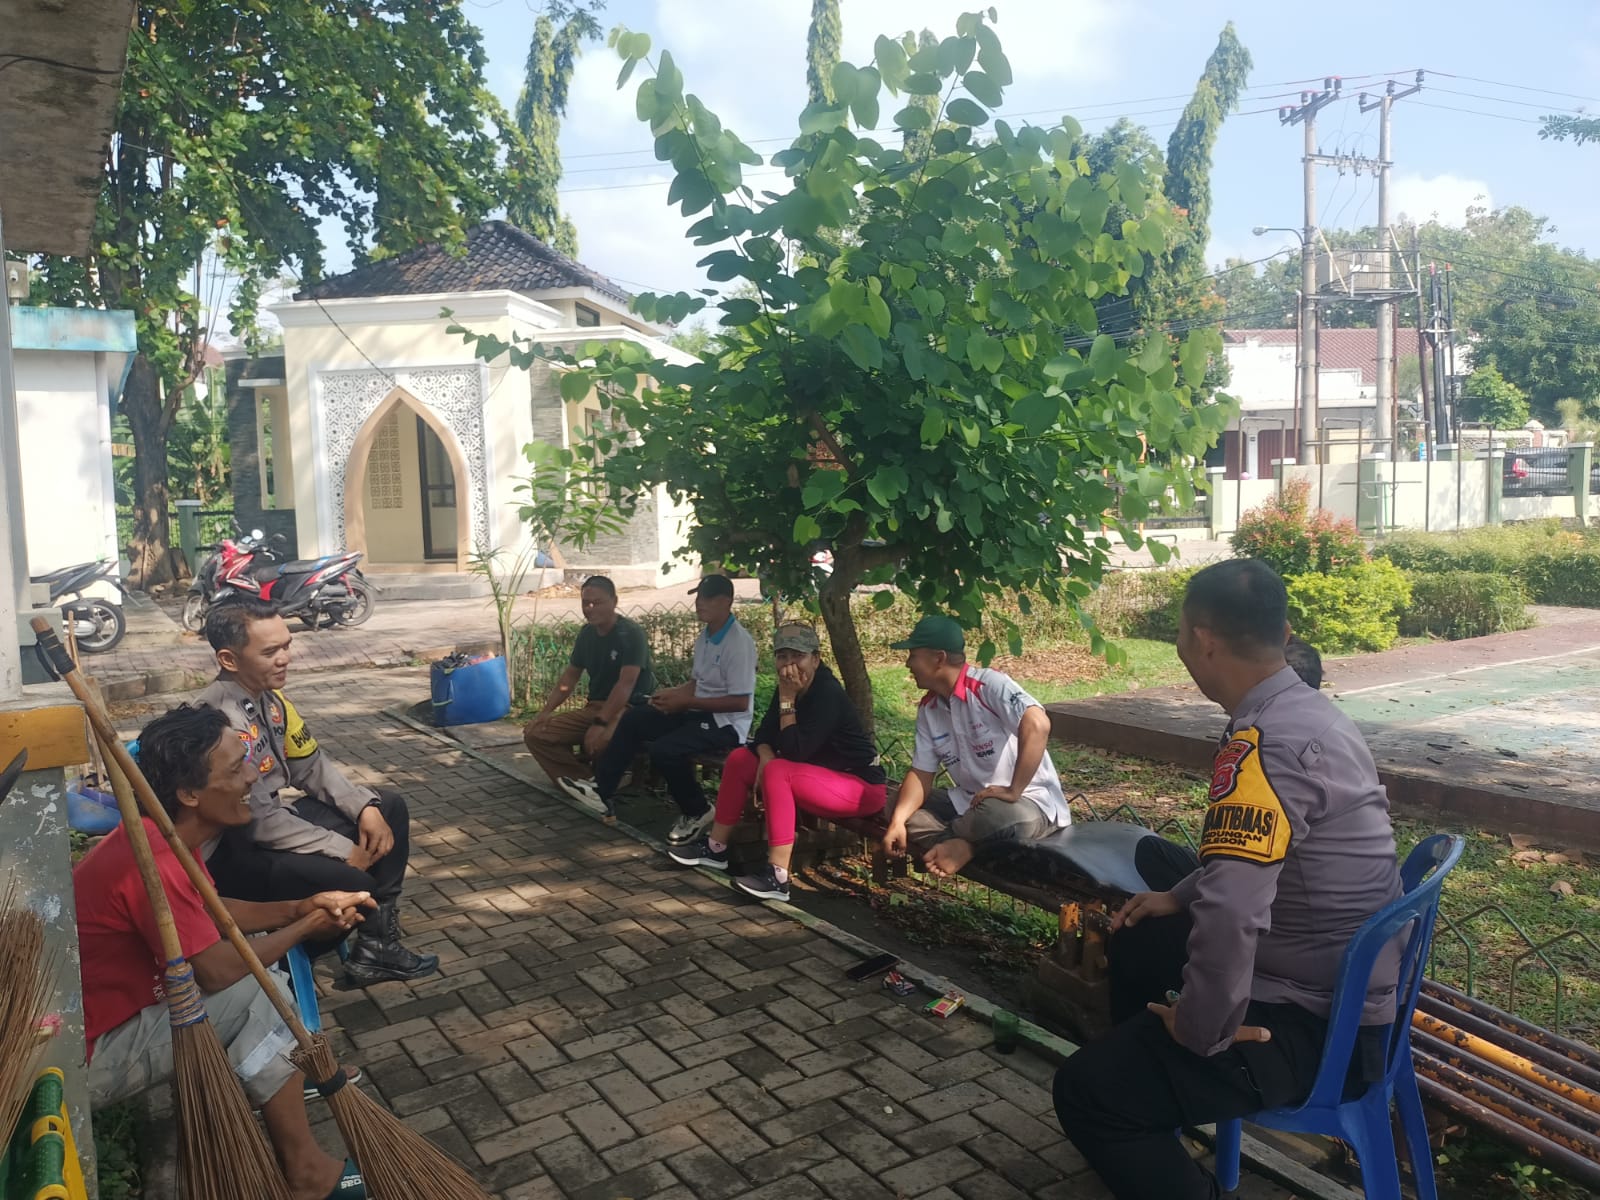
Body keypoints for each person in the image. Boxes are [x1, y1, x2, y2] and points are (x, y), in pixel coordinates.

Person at [1053, 559, 1403, 1200]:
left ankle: (1146, 1104)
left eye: (1179, 634)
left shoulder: (1266, 743)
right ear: (1284, 634)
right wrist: (1176, 895)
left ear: (1203, 638)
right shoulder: (1306, 713)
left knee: (1088, 1092)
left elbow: (1233, 913)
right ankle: (1159, 1111)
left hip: (1320, 1026)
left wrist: (1199, 1030)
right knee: (1139, 931)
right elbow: (1260, 861)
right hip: (1342, 984)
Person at [76, 704, 371, 1200]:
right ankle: (306, 1174)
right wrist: (306, 927)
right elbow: (214, 972)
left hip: (115, 1024)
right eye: (235, 769)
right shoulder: (152, 862)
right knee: (259, 989)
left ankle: (287, 1136)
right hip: (87, 1058)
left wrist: (298, 907)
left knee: (260, 980)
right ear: (190, 794)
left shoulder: (164, 836)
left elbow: (211, 910)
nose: (253, 775)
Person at [196, 599, 438, 986]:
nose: (285, 659)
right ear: (229, 659)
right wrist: (343, 850)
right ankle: (284, 965)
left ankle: (377, 947)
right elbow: (257, 820)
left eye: (286, 645)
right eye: (270, 652)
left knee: (387, 807)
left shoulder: (270, 701)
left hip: (270, 830)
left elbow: (310, 766)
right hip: (234, 853)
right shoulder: (218, 719)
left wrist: (364, 807)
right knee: (355, 885)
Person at [668, 622, 887, 902]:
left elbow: (795, 752)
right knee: (740, 759)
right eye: (782, 656)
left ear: (815, 659)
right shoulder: (789, 686)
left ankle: (777, 876)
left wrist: (787, 699)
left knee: (778, 770)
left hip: (859, 788)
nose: (789, 665)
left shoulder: (826, 694)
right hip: (817, 776)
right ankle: (716, 848)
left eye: (798, 656)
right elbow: (763, 736)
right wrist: (766, 755)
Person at [880, 615, 1071, 878]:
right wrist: (898, 822)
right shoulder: (929, 708)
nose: (907, 664)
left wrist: (1014, 790)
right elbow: (922, 773)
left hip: (1025, 803)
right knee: (897, 805)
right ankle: (964, 846)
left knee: (995, 817)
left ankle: (961, 845)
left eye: (913, 655)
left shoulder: (988, 685)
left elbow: (1037, 725)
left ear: (938, 658)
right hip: (969, 804)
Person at [589, 574, 757, 843]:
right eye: (698, 597)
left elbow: (740, 702)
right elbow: (697, 683)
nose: (699, 603)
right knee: (636, 718)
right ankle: (601, 789)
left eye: (708, 598)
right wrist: (671, 695)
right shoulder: (706, 636)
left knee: (665, 750)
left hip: (725, 724)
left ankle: (698, 810)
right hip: (698, 712)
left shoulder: (738, 643)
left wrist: (685, 702)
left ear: (726, 601)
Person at [525, 575, 656, 803]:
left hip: (629, 707)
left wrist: (600, 723)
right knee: (536, 733)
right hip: (595, 707)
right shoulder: (587, 634)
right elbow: (570, 676)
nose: (590, 608)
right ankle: (585, 782)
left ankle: (601, 784)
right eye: (586, 603)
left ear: (614, 601)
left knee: (599, 741)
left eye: (597, 602)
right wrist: (546, 711)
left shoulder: (630, 633)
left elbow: (626, 683)